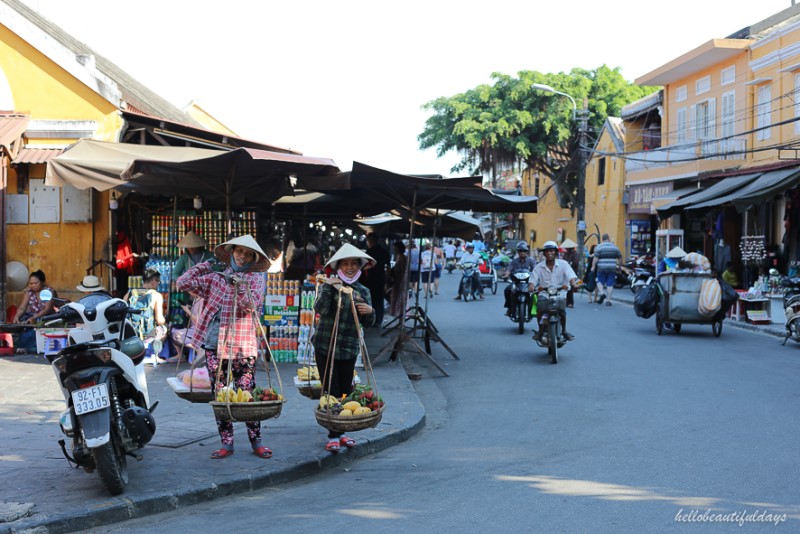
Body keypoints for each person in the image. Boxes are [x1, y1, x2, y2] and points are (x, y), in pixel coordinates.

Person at [176, 234, 270, 460]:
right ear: (231, 252)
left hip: (243, 346)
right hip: (214, 345)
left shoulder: (255, 279)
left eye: (248, 254)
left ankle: (256, 440)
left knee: (247, 395)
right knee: (221, 396)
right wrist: (206, 266)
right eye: (239, 251)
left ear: (253, 258)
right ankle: (226, 443)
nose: (243, 256)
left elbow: (251, 304)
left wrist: (239, 286)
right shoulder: (215, 277)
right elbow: (182, 283)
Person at [311, 243, 375, 453]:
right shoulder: (330, 285)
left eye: (354, 264)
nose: (350, 267)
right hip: (325, 346)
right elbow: (320, 309)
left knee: (346, 392)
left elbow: (370, 323)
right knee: (331, 391)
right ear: (338, 266)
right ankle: (333, 434)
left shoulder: (363, 290)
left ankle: (342, 431)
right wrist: (330, 286)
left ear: (359, 267)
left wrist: (369, 311)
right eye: (345, 263)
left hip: (348, 348)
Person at [531, 241, 578, 342]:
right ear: (544, 253)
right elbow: (533, 280)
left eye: (551, 251)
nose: (549, 253)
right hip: (544, 293)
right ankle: (540, 330)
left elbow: (571, 276)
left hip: (560, 293)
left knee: (562, 312)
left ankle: (564, 331)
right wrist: (531, 287)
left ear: (556, 252)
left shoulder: (564, 264)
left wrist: (573, 283)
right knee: (540, 310)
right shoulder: (539, 266)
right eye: (547, 251)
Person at [125, 268, 168, 358]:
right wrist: (165, 319)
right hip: (148, 334)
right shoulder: (156, 295)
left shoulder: (130, 293)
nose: (158, 284)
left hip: (131, 333)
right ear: (153, 281)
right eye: (158, 282)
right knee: (164, 328)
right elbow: (159, 320)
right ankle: (154, 355)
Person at [12, 270, 58, 352]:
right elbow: (23, 307)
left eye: (35, 283)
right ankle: (21, 346)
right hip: (33, 317)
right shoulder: (29, 292)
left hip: (47, 317)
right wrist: (17, 316)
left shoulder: (50, 292)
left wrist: (34, 318)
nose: (33, 285)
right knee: (23, 323)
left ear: (42, 282)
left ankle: (29, 348)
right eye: (31, 283)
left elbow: (47, 309)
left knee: (35, 328)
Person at [363, 233, 390, 327]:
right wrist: (387, 278)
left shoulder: (369, 251)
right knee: (379, 299)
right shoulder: (383, 251)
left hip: (371, 278)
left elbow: (364, 267)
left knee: (373, 299)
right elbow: (388, 266)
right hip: (381, 278)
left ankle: (374, 319)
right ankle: (379, 319)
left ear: (370, 240)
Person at [504, 242, 536, 315]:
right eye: (521, 251)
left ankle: (536, 308)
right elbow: (509, 269)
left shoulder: (531, 260)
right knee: (507, 290)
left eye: (524, 251)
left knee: (536, 292)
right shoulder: (514, 261)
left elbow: (535, 269)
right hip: (516, 282)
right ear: (518, 252)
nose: (522, 253)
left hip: (528, 282)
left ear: (527, 252)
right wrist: (506, 274)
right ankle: (510, 308)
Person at [591, 233, 622, 306]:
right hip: (612, 268)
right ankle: (608, 301)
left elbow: (595, 259)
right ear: (608, 238)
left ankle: (602, 293)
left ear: (602, 239)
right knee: (610, 284)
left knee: (598, 280)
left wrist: (593, 267)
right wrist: (619, 267)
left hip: (601, 268)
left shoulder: (599, 247)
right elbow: (620, 258)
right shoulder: (615, 247)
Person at [387, 241, 408, 319]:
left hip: (400, 281)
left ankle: (400, 315)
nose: (394, 249)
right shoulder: (400, 256)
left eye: (395, 248)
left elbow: (399, 270)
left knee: (399, 298)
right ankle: (399, 315)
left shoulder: (402, 257)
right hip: (399, 281)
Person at [561, 239, 580, 308]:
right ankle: (566, 301)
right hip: (565, 272)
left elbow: (576, 263)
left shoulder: (575, 254)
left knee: (571, 288)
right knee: (565, 287)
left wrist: (569, 263)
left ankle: (570, 302)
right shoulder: (566, 254)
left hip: (572, 272)